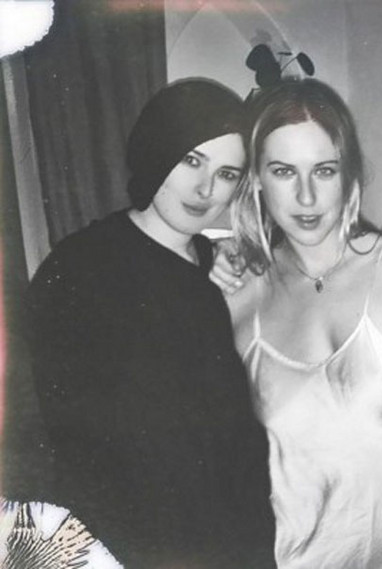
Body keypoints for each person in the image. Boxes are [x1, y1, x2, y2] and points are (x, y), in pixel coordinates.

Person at [26, 79, 276, 568]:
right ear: (157, 150)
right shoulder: (80, 269)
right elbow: (67, 449)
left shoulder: (214, 268)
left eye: (226, 173)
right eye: (191, 160)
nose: (205, 189)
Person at [226, 77, 382, 568]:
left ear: (348, 174)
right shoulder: (238, 298)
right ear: (257, 179)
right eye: (284, 171)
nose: (306, 196)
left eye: (324, 170)